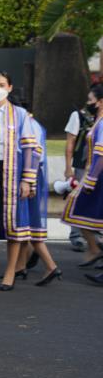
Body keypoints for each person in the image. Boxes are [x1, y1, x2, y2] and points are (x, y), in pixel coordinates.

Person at [0, 73, 40, 290]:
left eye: (1, 85)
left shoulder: (20, 114)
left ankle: (11, 270)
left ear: (10, 87)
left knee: (14, 222)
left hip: (13, 170)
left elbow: (30, 147)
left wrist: (27, 180)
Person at [17, 104, 63, 286]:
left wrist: (30, 182)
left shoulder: (28, 125)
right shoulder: (31, 123)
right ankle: (20, 266)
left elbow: (35, 155)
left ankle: (51, 266)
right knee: (25, 224)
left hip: (31, 177)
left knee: (30, 224)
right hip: (31, 176)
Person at [63, 83, 103, 277]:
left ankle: (95, 248)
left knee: (76, 208)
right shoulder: (97, 121)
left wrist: (91, 179)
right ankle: (95, 248)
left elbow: (101, 153)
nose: (88, 103)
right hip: (94, 174)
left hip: (97, 176)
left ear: (100, 102)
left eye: (90, 100)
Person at [64, 100, 96, 251]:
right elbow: (70, 142)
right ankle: (76, 235)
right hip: (82, 166)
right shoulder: (78, 116)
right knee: (78, 199)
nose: (90, 102)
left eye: (91, 99)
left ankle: (96, 236)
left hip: (99, 166)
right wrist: (68, 167)